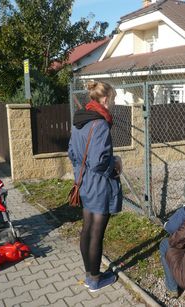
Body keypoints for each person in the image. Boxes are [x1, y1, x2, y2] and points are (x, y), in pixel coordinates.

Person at [68, 81, 123, 292]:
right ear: (105, 99)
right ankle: (95, 280)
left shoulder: (79, 120)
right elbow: (100, 161)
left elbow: (72, 153)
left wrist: (80, 174)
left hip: (84, 182)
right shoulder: (100, 124)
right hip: (100, 185)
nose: (115, 104)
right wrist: (115, 164)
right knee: (96, 234)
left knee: (87, 229)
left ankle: (89, 273)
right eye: (114, 99)